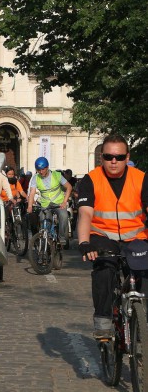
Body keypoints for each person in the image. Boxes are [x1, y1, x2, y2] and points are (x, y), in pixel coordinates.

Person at [77, 134, 148, 339]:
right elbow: (85, 213)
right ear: (101, 158)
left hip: (136, 237)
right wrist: (83, 242)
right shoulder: (91, 179)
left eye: (118, 157)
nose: (113, 161)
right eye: (108, 156)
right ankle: (103, 321)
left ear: (127, 157)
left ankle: (141, 329)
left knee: (144, 274)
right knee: (104, 268)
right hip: (102, 235)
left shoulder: (141, 178)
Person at [27, 157, 72, 248]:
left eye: (43, 169)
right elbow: (32, 193)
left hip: (58, 203)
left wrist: (64, 201)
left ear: (47, 167)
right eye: (38, 170)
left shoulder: (57, 175)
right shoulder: (35, 178)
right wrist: (30, 206)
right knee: (44, 220)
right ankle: (46, 241)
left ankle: (62, 237)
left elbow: (69, 187)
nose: (41, 172)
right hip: (45, 204)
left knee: (64, 216)